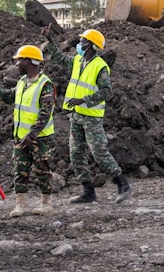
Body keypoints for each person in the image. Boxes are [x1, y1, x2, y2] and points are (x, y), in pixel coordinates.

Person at [41, 25, 133, 204]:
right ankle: (88, 191)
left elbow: (106, 92)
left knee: (99, 152)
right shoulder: (78, 60)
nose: (79, 43)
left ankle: (123, 184)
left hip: (91, 117)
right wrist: (50, 40)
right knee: (76, 154)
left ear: (90, 45)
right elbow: (60, 58)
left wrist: (83, 100)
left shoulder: (101, 67)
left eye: (82, 41)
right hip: (76, 115)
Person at [0, 45, 56, 218]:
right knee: (20, 170)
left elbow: (45, 113)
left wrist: (33, 134)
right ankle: (21, 204)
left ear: (28, 61)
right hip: (21, 137)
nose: (17, 64)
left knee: (42, 169)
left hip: (40, 138)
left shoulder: (45, 85)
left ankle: (46, 204)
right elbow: (8, 96)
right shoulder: (22, 82)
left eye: (19, 60)